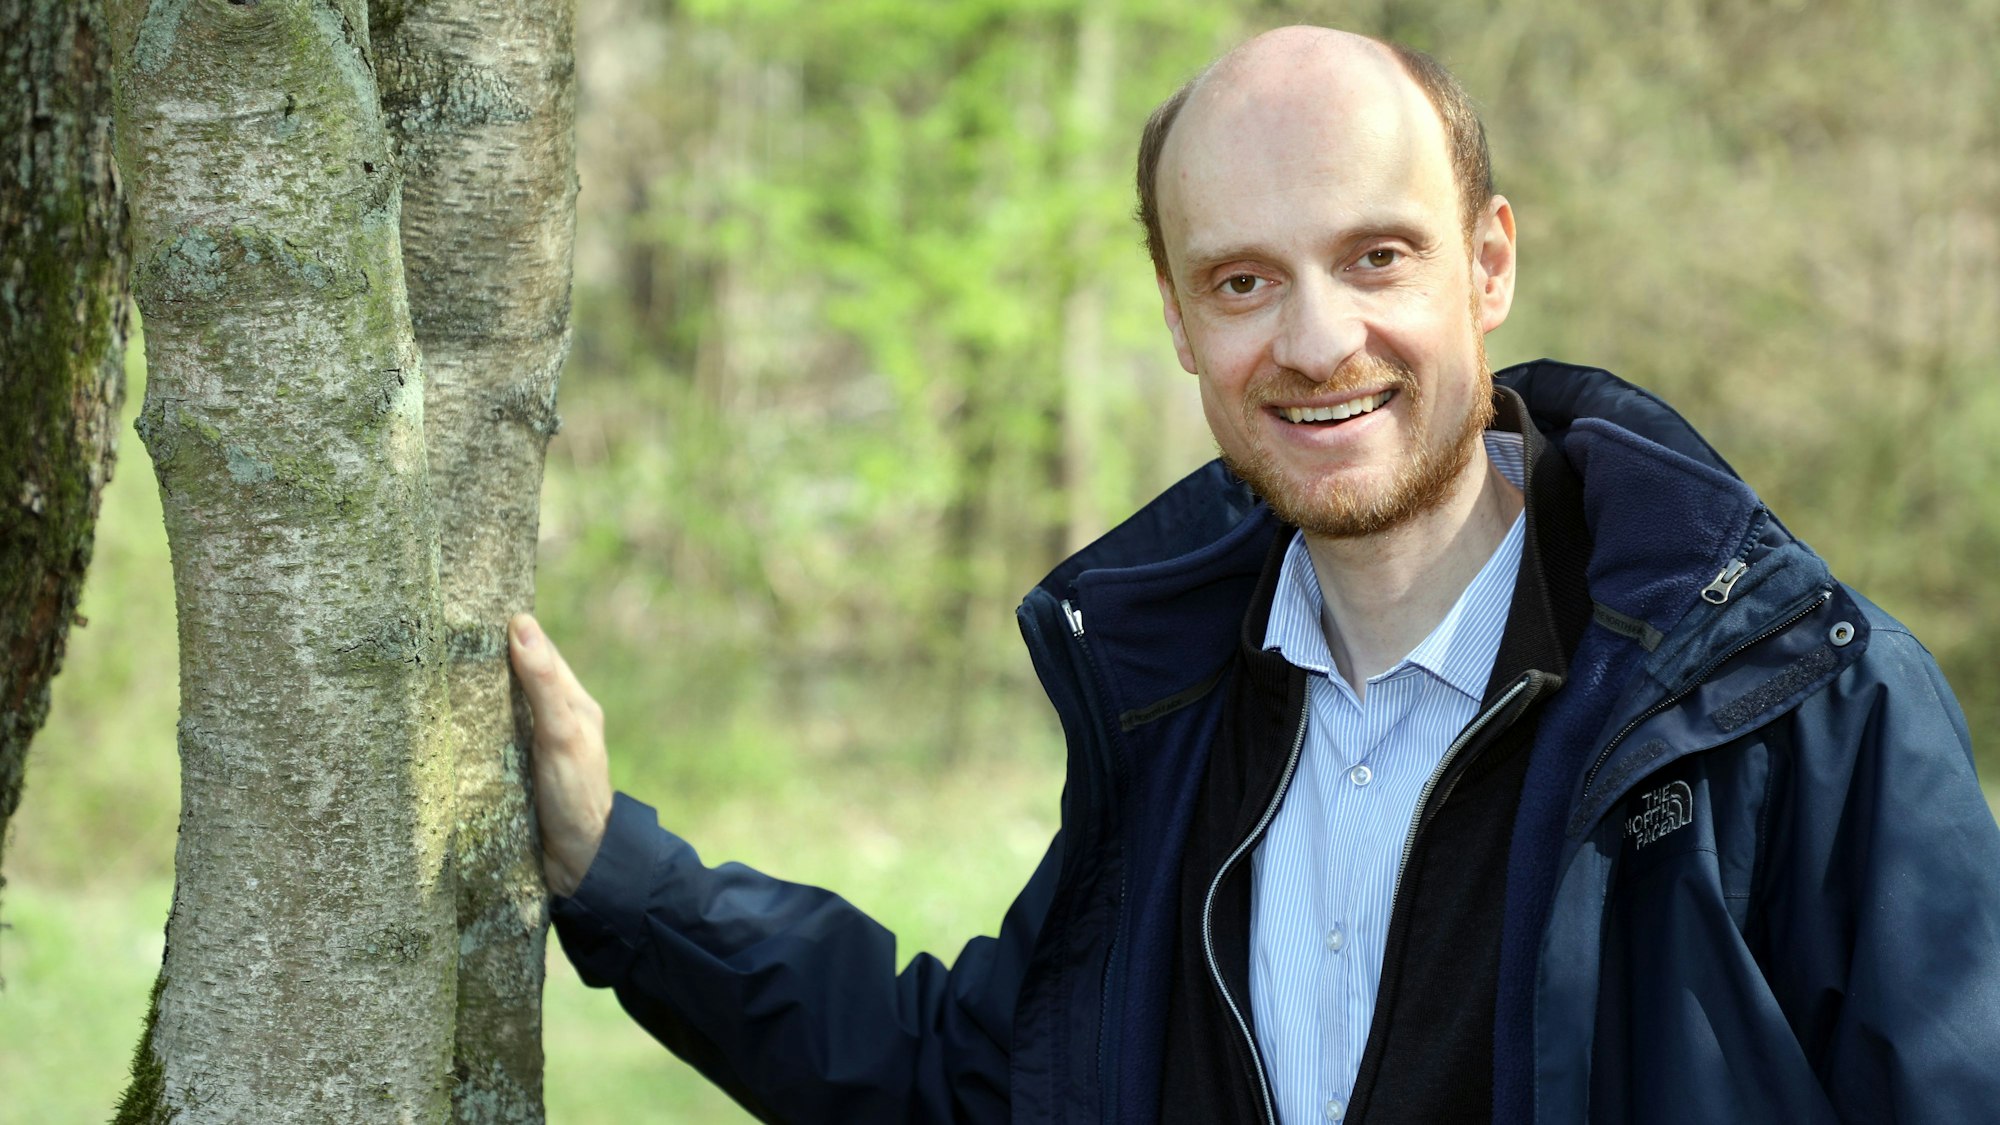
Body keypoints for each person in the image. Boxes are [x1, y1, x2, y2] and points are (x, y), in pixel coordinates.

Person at [509, 25, 2000, 1124]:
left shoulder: (1797, 702)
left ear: (1488, 266)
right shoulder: (1174, 718)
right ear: (1176, 318)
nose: (1313, 340)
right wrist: (609, 866)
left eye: (1375, 258)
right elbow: (973, 1084)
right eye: (1242, 280)